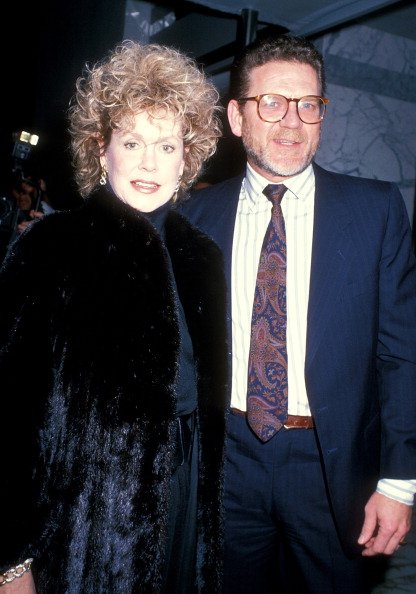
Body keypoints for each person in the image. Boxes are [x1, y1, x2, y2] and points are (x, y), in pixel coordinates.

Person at [179, 34, 416, 593]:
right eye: (272, 103)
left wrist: (400, 481)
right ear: (237, 117)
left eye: (308, 105)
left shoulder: (375, 210)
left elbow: (402, 353)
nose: (292, 122)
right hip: (226, 464)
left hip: (332, 468)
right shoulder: (192, 219)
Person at [0, 40, 228, 593]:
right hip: (85, 525)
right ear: (102, 151)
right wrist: (12, 561)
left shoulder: (202, 256)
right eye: (132, 142)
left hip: (184, 499)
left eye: (167, 145)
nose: (149, 162)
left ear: (186, 159)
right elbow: (6, 415)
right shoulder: (52, 247)